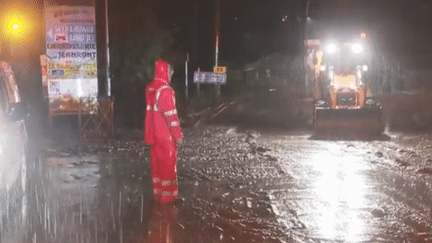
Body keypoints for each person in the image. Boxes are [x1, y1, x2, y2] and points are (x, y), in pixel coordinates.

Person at [144, 59, 183, 204]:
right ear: (165, 73)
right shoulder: (166, 91)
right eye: (170, 73)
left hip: (153, 135)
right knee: (168, 164)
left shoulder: (151, 89)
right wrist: (177, 135)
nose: (171, 76)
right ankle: (168, 198)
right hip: (165, 136)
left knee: (157, 165)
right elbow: (171, 116)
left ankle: (158, 194)